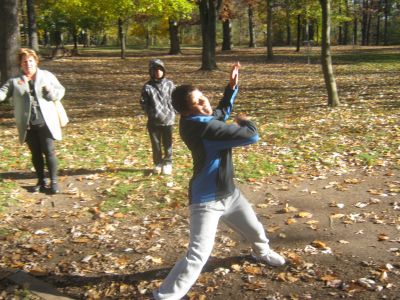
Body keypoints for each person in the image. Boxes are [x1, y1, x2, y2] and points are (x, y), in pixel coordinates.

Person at [152, 62, 285, 300]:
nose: (205, 103)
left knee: (255, 230)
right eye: (198, 102)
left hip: (229, 193)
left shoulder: (198, 121)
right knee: (197, 255)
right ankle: (164, 296)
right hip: (206, 201)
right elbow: (251, 135)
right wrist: (245, 120)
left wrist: (231, 87)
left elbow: (219, 113)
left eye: (203, 98)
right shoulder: (204, 129)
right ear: (186, 112)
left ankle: (261, 253)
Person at [0, 48, 65, 194]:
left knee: (49, 151)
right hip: (27, 124)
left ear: (36, 61)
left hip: (46, 121)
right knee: (35, 153)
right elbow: (2, 93)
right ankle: (41, 180)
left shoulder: (47, 76)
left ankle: (54, 181)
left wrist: (51, 93)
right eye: (24, 61)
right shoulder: (15, 82)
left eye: (30, 60)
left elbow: (60, 91)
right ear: (20, 64)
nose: (28, 64)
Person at [140, 59, 176, 175]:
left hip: (168, 120)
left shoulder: (170, 84)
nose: (158, 72)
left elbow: (176, 99)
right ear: (151, 72)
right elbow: (143, 103)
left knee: (168, 143)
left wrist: (172, 111)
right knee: (156, 144)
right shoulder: (147, 87)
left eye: (160, 69)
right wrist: (152, 112)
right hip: (154, 122)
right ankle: (158, 163)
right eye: (155, 70)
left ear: (164, 71)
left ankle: (168, 163)